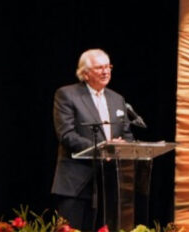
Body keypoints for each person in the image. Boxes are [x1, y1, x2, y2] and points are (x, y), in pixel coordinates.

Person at [51, 49, 134, 231]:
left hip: (108, 185)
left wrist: (125, 146)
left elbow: (127, 135)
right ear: (85, 73)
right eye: (99, 68)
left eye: (108, 67)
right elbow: (66, 135)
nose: (106, 72)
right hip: (76, 184)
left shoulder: (117, 99)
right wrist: (103, 149)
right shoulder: (67, 95)